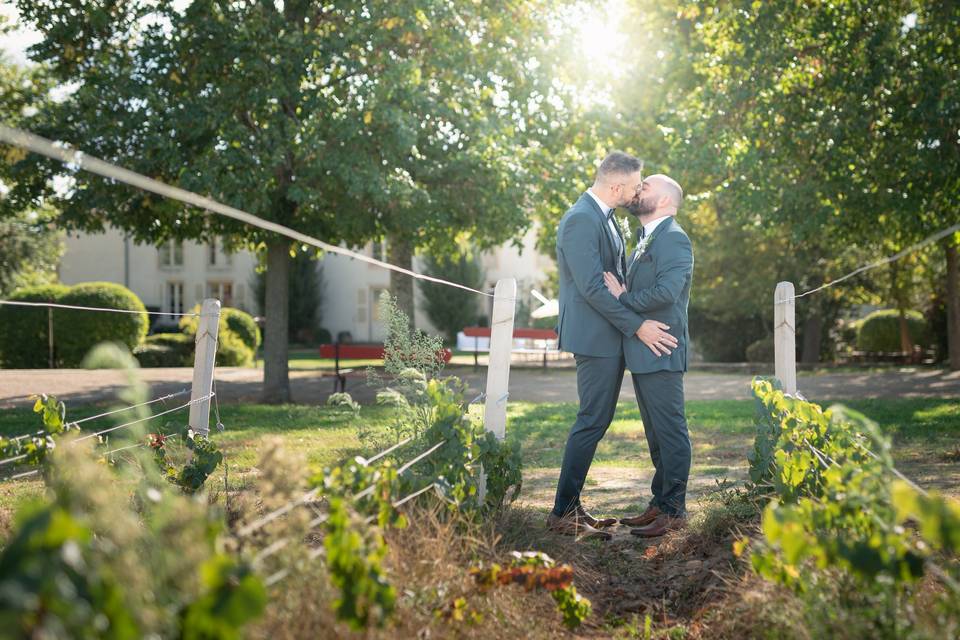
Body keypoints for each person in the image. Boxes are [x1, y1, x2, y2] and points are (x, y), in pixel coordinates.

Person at [547, 152, 678, 540]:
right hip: (594, 338)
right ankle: (562, 512)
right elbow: (590, 289)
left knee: (595, 421)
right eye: (637, 185)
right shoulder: (581, 220)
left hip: (607, 334)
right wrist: (637, 326)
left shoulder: (605, 219)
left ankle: (571, 506)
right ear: (617, 186)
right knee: (591, 421)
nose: (639, 191)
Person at [604, 173, 694, 537]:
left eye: (647, 187)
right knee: (656, 434)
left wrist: (623, 298)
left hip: (662, 347)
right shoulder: (647, 238)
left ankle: (675, 510)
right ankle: (660, 501)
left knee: (671, 432)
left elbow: (667, 292)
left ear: (666, 202)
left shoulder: (673, 238)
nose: (638, 191)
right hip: (645, 350)